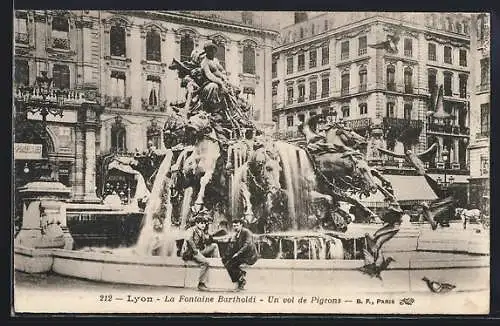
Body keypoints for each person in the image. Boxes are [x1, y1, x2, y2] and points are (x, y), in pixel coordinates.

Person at [181, 215, 220, 291]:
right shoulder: (191, 230)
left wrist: (221, 238)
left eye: (205, 223)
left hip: (199, 251)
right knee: (205, 263)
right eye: (201, 223)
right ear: (196, 223)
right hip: (191, 252)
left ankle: (217, 262)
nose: (203, 225)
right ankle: (201, 283)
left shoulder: (201, 231)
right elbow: (189, 240)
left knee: (214, 246)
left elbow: (208, 239)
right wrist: (195, 250)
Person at [222, 218, 259, 291]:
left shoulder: (246, 232)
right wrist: (227, 255)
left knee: (231, 264)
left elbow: (247, 245)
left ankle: (240, 281)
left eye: (237, 226)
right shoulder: (236, 234)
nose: (235, 227)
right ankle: (240, 275)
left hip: (250, 256)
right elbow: (233, 246)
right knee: (225, 261)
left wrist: (237, 254)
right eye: (234, 226)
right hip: (242, 255)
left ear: (241, 225)